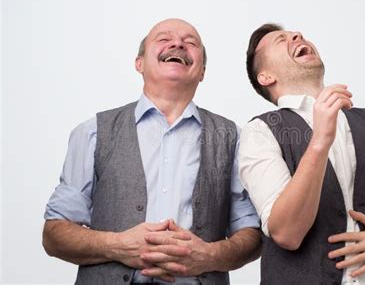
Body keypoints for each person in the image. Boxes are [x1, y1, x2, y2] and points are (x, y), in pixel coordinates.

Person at [42, 18, 261, 285]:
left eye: (191, 42)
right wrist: (117, 245)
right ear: (140, 63)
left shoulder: (233, 137)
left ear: (202, 70)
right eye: (164, 38)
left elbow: (252, 234)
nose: (178, 43)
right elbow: (54, 235)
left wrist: (209, 255)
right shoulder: (92, 132)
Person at [239, 23, 365, 284]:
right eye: (280, 40)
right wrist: (320, 141)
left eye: (298, 34)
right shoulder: (259, 132)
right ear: (266, 77)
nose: (297, 36)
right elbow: (286, 233)